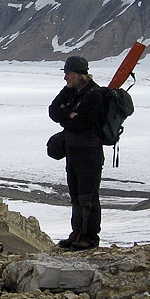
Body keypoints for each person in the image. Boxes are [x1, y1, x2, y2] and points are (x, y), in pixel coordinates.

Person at [48, 56, 105, 250]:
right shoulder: (71, 91)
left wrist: (67, 115)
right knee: (76, 196)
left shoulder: (95, 95)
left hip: (89, 154)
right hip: (74, 152)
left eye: (68, 73)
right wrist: (68, 114)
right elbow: (53, 111)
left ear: (80, 74)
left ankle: (89, 238)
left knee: (88, 197)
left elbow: (80, 123)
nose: (65, 78)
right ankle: (77, 233)